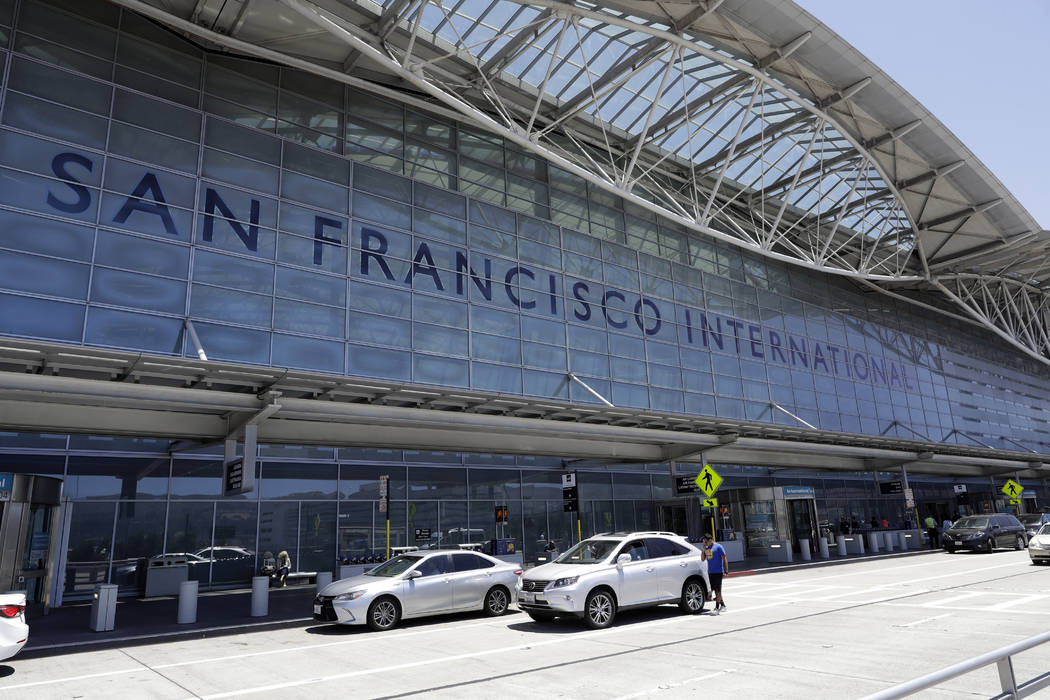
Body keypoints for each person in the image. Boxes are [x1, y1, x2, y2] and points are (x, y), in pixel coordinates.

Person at [701, 533, 728, 614]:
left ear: (710, 540)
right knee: (715, 589)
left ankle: (717, 608)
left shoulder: (718, 547)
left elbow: (724, 559)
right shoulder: (707, 548)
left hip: (718, 571)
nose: (705, 544)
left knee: (718, 590)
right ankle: (723, 605)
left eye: (706, 542)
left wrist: (726, 571)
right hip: (710, 572)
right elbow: (702, 559)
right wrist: (703, 550)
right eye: (704, 542)